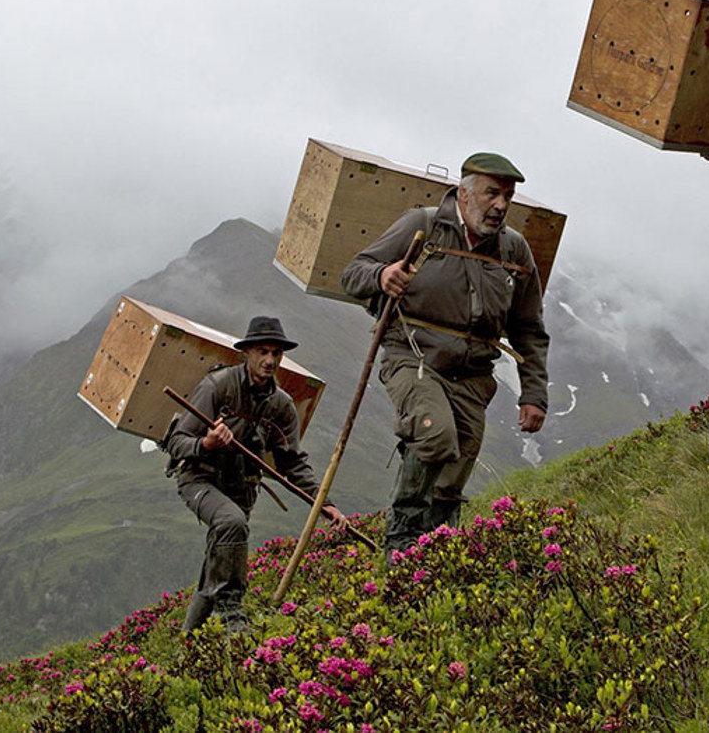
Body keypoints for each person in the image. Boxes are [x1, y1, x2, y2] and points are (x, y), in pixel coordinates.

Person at [341, 153, 550, 558]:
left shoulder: (515, 251)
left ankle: (433, 553)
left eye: (508, 196)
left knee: (454, 471)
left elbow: (529, 328)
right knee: (435, 433)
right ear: (464, 193)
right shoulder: (422, 225)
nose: (501, 205)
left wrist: (534, 394)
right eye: (492, 193)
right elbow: (353, 272)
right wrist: (382, 276)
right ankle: (399, 542)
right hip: (413, 357)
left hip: (473, 376)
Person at [163, 316, 346, 633]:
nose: (270, 360)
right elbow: (177, 443)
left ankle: (186, 645)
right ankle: (232, 614)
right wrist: (206, 444)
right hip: (199, 479)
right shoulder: (218, 387)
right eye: (263, 351)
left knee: (215, 567)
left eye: (276, 353)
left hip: (242, 490)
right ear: (246, 352)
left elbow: (293, 462)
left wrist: (323, 503)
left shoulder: (282, 406)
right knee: (231, 522)